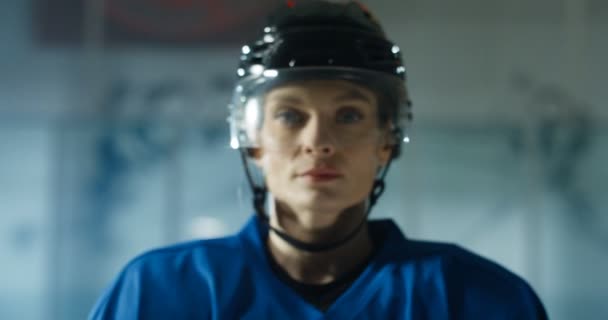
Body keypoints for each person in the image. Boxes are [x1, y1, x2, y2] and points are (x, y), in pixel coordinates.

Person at [88, 1, 548, 319]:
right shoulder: (159, 292)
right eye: (290, 115)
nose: (318, 141)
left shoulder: (476, 300)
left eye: (348, 115)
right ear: (253, 140)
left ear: (386, 141)